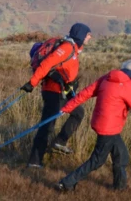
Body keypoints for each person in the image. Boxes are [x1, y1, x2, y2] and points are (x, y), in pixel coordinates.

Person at [56, 59, 131, 191]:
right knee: (96, 161)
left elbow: (85, 93)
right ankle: (67, 183)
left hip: (102, 124)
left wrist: (68, 107)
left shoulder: (107, 78)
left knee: (121, 154)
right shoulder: (129, 87)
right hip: (109, 129)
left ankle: (119, 187)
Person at [21, 23, 92, 167]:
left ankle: (59, 142)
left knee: (78, 112)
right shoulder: (66, 48)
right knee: (47, 126)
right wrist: (32, 83)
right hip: (53, 92)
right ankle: (34, 161)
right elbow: (47, 63)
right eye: (88, 34)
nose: (90, 37)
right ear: (81, 35)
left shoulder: (74, 50)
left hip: (62, 92)